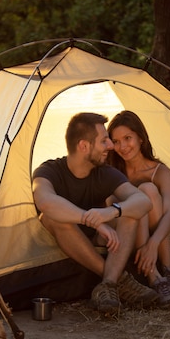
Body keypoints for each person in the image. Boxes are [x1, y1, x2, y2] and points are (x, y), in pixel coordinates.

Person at [32, 112, 160, 315]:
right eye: (104, 141)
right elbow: (45, 201)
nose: (110, 146)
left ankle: (108, 284)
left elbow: (143, 201)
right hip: (63, 237)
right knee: (51, 217)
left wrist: (111, 212)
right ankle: (121, 281)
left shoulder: (104, 173)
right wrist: (90, 219)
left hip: (100, 239)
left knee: (129, 211)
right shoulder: (49, 171)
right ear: (84, 146)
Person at [107, 110, 170, 309]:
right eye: (116, 141)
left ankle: (167, 268)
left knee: (148, 190)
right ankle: (154, 277)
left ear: (140, 138)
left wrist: (152, 244)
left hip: (152, 234)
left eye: (128, 138)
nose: (122, 147)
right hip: (123, 233)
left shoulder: (161, 171)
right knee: (139, 197)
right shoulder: (113, 172)